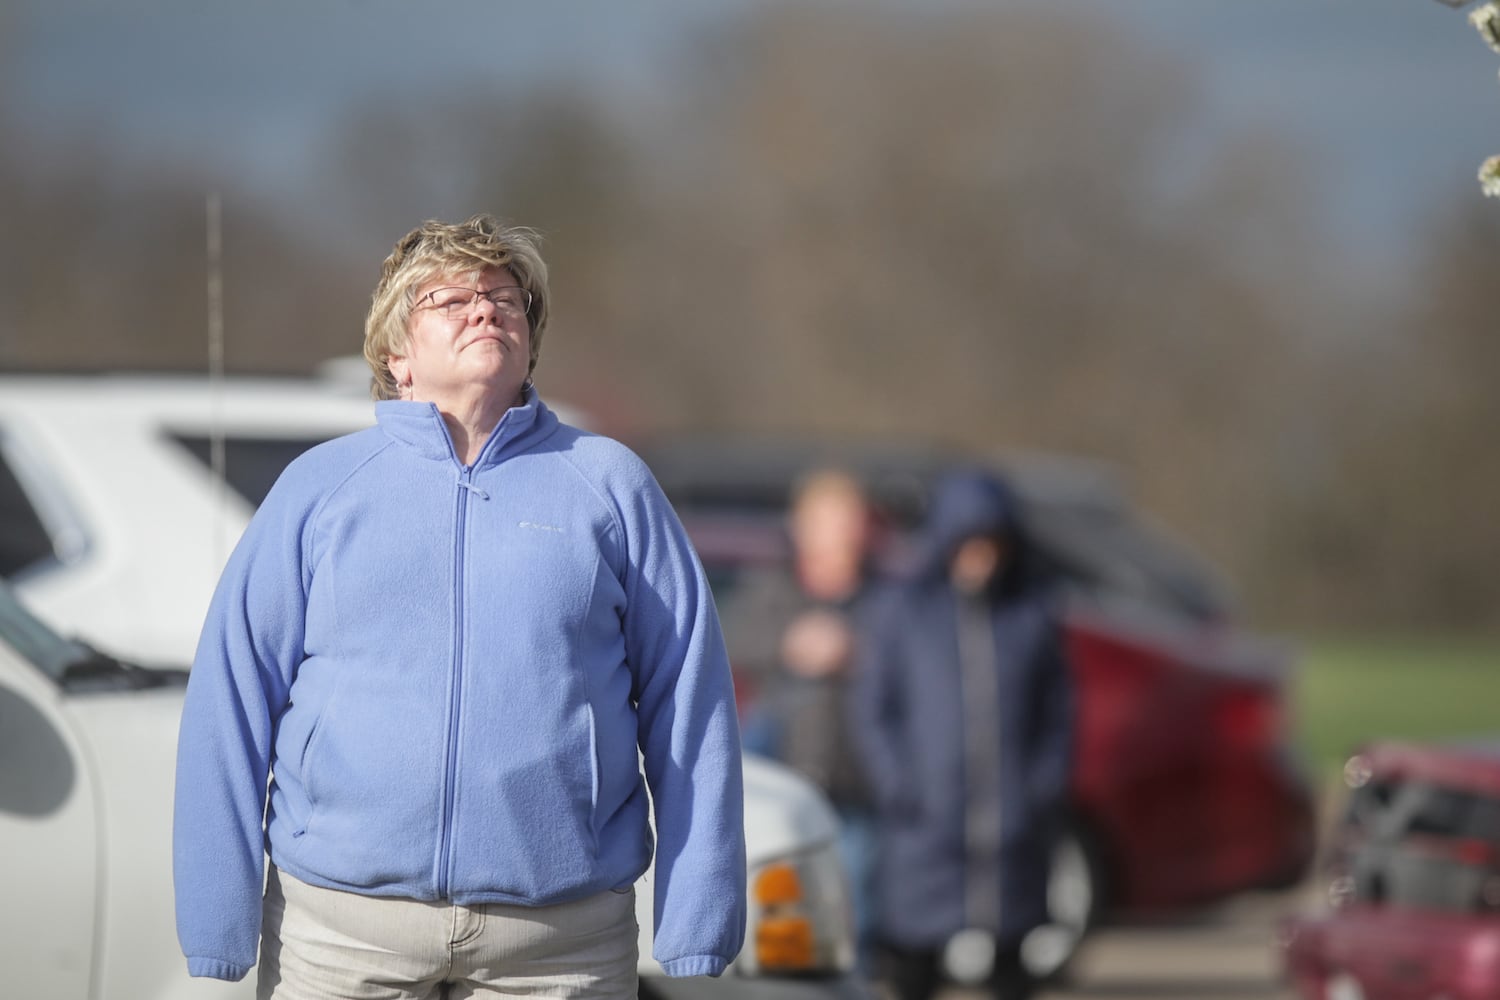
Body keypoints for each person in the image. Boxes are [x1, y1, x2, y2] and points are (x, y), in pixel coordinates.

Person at [172, 215, 746, 1000]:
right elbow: (230, 700)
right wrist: (216, 920)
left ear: (530, 341)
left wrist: (699, 918)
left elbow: (691, 703)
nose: (486, 309)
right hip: (341, 937)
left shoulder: (610, 486)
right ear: (395, 355)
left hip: (561, 948)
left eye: (505, 297)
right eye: (453, 299)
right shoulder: (320, 489)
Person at [850, 466, 1073, 1000]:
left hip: (1009, 829)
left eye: (993, 544)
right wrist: (899, 786)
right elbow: (873, 710)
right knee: (912, 967)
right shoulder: (902, 613)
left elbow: (1058, 711)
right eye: (971, 544)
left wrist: (1041, 788)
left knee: (1013, 968)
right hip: (925, 828)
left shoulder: (1030, 614)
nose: (983, 558)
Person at [732, 468, 881, 966]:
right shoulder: (772, 590)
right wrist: (791, 645)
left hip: (854, 786)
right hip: (783, 788)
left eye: (849, 522)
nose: (841, 535)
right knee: (781, 922)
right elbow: (734, 642)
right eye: (828, 521)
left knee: (853, 911)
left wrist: (857, 652)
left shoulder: (881, 600)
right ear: (802, 527)